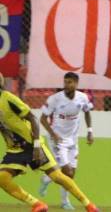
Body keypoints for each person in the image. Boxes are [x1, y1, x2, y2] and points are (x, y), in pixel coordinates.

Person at [0, 72, 100, 212]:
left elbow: (33, 119)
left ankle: (89, 205)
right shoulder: (55, 99)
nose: (67, 84)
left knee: (58, 176)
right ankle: (37, 204)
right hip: (15, 149)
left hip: (32, 143)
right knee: (2, 178)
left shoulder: (8, 98)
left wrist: (36, 146)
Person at [38, 72, 95, 211]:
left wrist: (90, 131)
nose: (66, 85)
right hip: (57, 140)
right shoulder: (55, 99)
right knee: (67, 172)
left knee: (71, 174)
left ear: (76, 83)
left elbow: (87, 112)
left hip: (73, 140)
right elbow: (42, 119)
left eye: (69, 82)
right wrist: (53, 134)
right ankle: (65, 201)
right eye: (65, 82)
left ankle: (47, 179)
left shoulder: (82, 98)